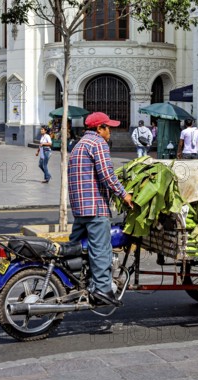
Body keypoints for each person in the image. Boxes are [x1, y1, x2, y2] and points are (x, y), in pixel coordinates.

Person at [68, 112, 133, 307]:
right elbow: (107, 175)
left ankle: (72, 281)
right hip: (95, 207)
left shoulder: (78, 145)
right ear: (99, 128)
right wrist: (124, 194)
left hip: (79, 208)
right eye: (108, 127)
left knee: (75, 248)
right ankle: (103, 290)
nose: (110, 132)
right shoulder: (98, 144)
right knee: (101, 250)